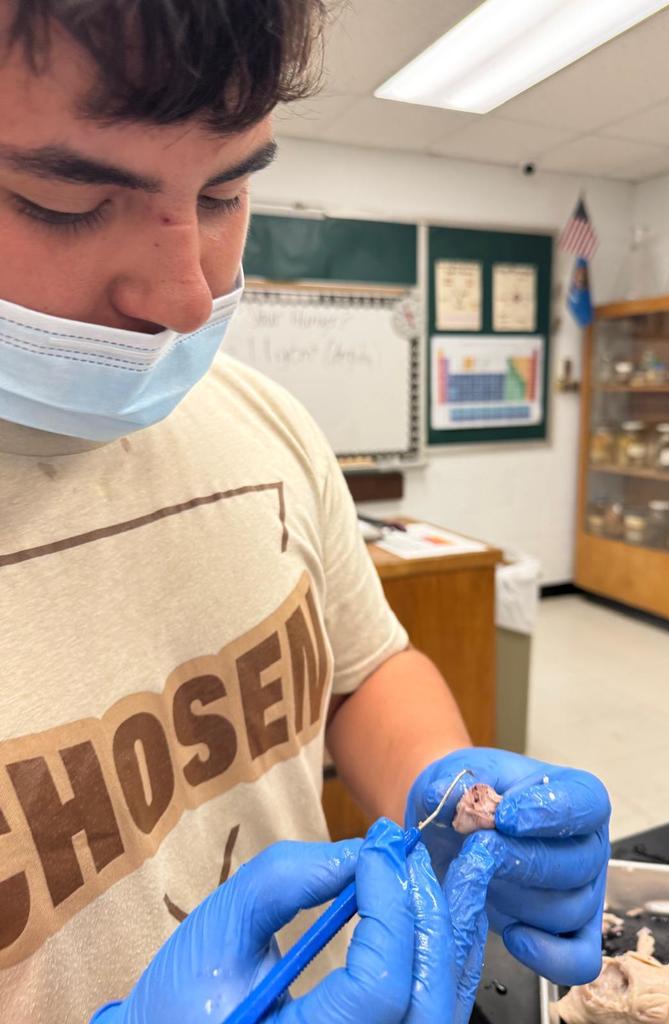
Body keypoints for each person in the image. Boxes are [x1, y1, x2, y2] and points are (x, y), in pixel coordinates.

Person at [0, 2, 611, 1022]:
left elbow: (362, 671)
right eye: (61, 201)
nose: (190, 297)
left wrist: (445, 797)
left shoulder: (262, 421)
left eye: (226, 191)